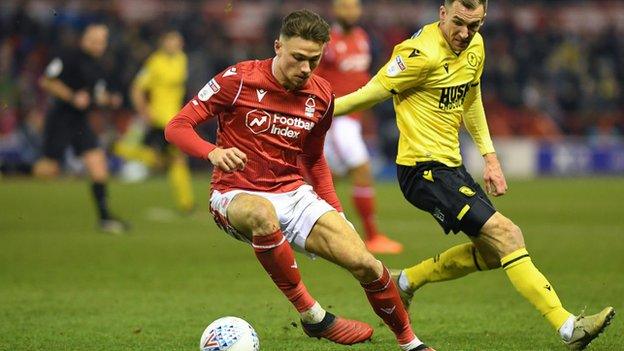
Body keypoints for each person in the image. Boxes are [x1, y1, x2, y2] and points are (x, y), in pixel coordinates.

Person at [334, 1, 615, 350]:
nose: (465, 34)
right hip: (422, 170)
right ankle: (568, 326)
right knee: (507, 234)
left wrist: (490, 157)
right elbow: (369, 94)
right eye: (458, 23)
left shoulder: (474, 47)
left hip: (451, 167)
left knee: (493, 250)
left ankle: (404, 281)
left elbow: (472, 97)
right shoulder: (419, 54)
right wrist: (317, 109)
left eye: (475, 26)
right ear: (441, 13)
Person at [165, 9, 434, 351]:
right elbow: (176, 126)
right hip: (235, 193)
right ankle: (313, 316)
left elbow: (314, 159)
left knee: (366, 263)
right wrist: (212, 153)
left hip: (293, 193)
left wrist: (335, 211)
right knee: (263, 214)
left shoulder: (321, 96)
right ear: (278, 46)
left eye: (314, 59)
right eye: (298, 58)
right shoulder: (238, 80)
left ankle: (410, 342)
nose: (305, 68)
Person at [315, 0, 403, 254]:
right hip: (335, 118)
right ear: (335, 10)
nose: (349, 11)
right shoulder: (325, 42)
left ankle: (300, 225)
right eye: (344, 6)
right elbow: (311, 77)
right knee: (362, 169)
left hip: (353, 118)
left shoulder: (363, 38)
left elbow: (360, 77)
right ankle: (373, 236)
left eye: (353, 6)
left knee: (332, 177)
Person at [34, 24, 128, 234]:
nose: (98, 44)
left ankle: (104, 218)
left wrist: (110, 99)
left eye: (102, 41)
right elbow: (47, 81)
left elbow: (95, 95)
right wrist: (72, 96)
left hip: (80, 121)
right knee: (49, 168)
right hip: (60, 118)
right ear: (85, 38)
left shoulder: (98, 65)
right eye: (95, 39)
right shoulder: (68, 56)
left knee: (98, 165)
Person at [115, 30, 194, 213]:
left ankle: (186, 203)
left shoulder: (182, 60)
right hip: (160, 119)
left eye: (177, 41)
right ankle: (186, 203)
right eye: (171, 41)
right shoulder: (155, 62)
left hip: (175, 118)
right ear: (163, 43)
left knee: (167, 160)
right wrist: (144, 111)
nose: (175, 45)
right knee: (177, 159)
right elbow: (136, 89)